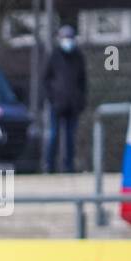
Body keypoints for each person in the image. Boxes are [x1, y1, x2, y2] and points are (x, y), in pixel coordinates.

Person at [42, 25, 87, 173]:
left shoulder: (78, 57)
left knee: (70, 138)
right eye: (65, 38)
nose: (67, 41)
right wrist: (52, 98)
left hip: (73, 105)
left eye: (70, 38)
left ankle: (69, 166)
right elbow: (46, 79)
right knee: (54, 135)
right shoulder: (54, 56)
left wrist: (80, 101)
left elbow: (82, 81)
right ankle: (49, 166)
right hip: (57, 103)